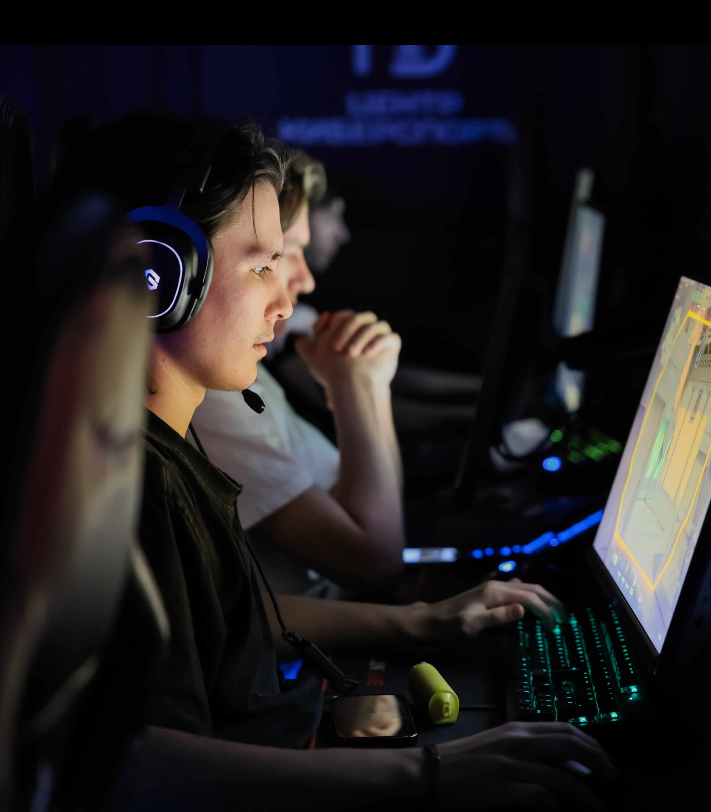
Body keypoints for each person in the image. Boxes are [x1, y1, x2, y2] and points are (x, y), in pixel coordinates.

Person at [54, 113, 612, 811]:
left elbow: (222, 615)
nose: (288, 297)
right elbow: (134, 770)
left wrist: (423, 622)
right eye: (262, 264)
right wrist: (426, 776)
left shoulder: (168, 443)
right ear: (159, 275)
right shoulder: (137, 483)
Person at [192, 152, 403, 596]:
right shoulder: (213, 388)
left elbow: (383, 514)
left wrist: (372, 384)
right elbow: (376, 562)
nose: (302, 284)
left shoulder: (243, 374)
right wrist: (356, 386)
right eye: (272, 260)